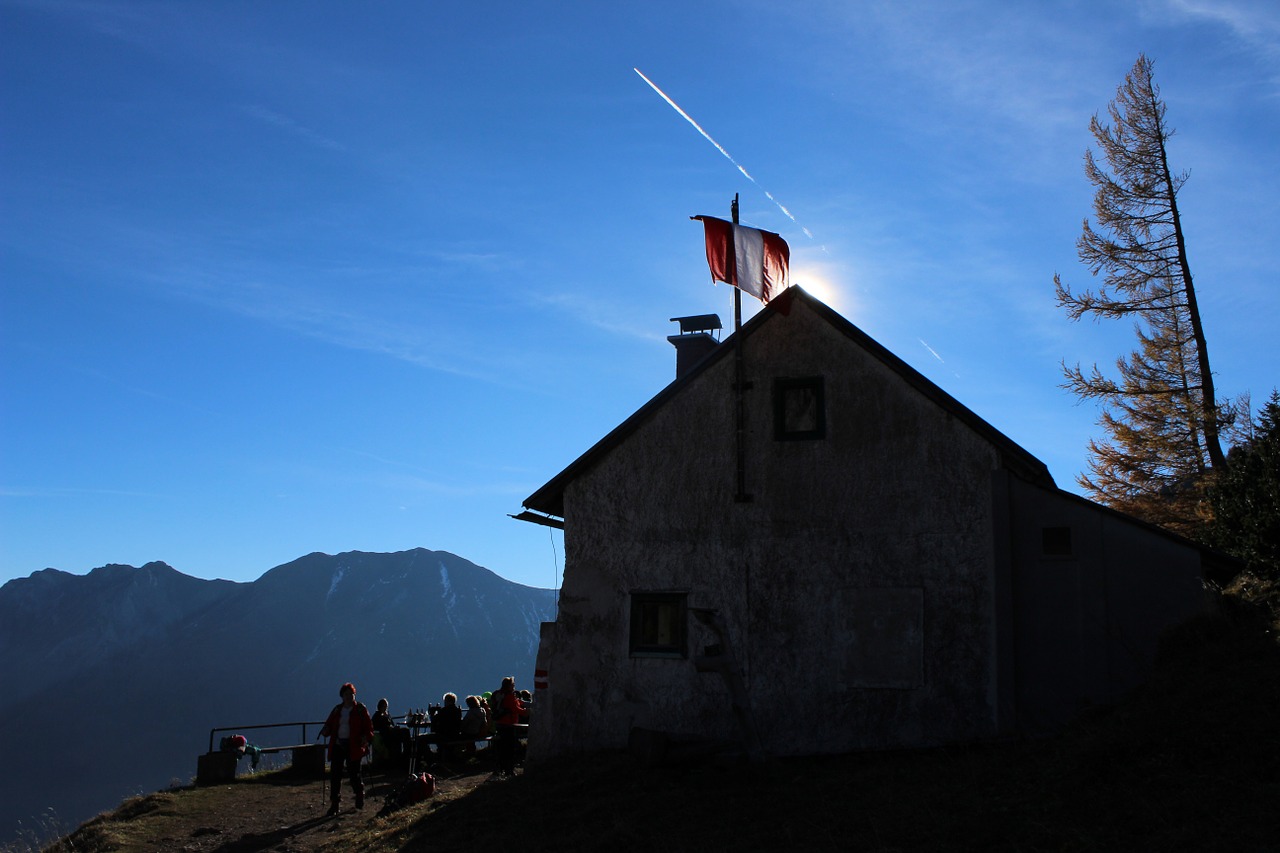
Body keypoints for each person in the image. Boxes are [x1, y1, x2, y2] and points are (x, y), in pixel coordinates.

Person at [319, 682, 373, 815]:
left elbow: (368, 727)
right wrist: (326, 730)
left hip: (353, 746)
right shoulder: (338, 710)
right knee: (335, 774)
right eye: (346, 694)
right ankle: (335, 804)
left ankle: (359, 794)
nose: (349, 697)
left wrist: (366, 738)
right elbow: (329, 724)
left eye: (351, 694)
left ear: (354, 695)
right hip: (339, 745)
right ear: (342, 696)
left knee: (354, 773)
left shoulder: (360, 709)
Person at [490, 676, 525, 778]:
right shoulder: (509, 696)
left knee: (502, 747)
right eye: (513, 684)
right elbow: (516, 708)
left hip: (500, 724)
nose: (514, 686)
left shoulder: (499, 694)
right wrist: (528, 712)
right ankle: (509, 770)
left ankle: (500, 769)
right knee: (509, 748)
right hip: (509, 724)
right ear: (509, 685)